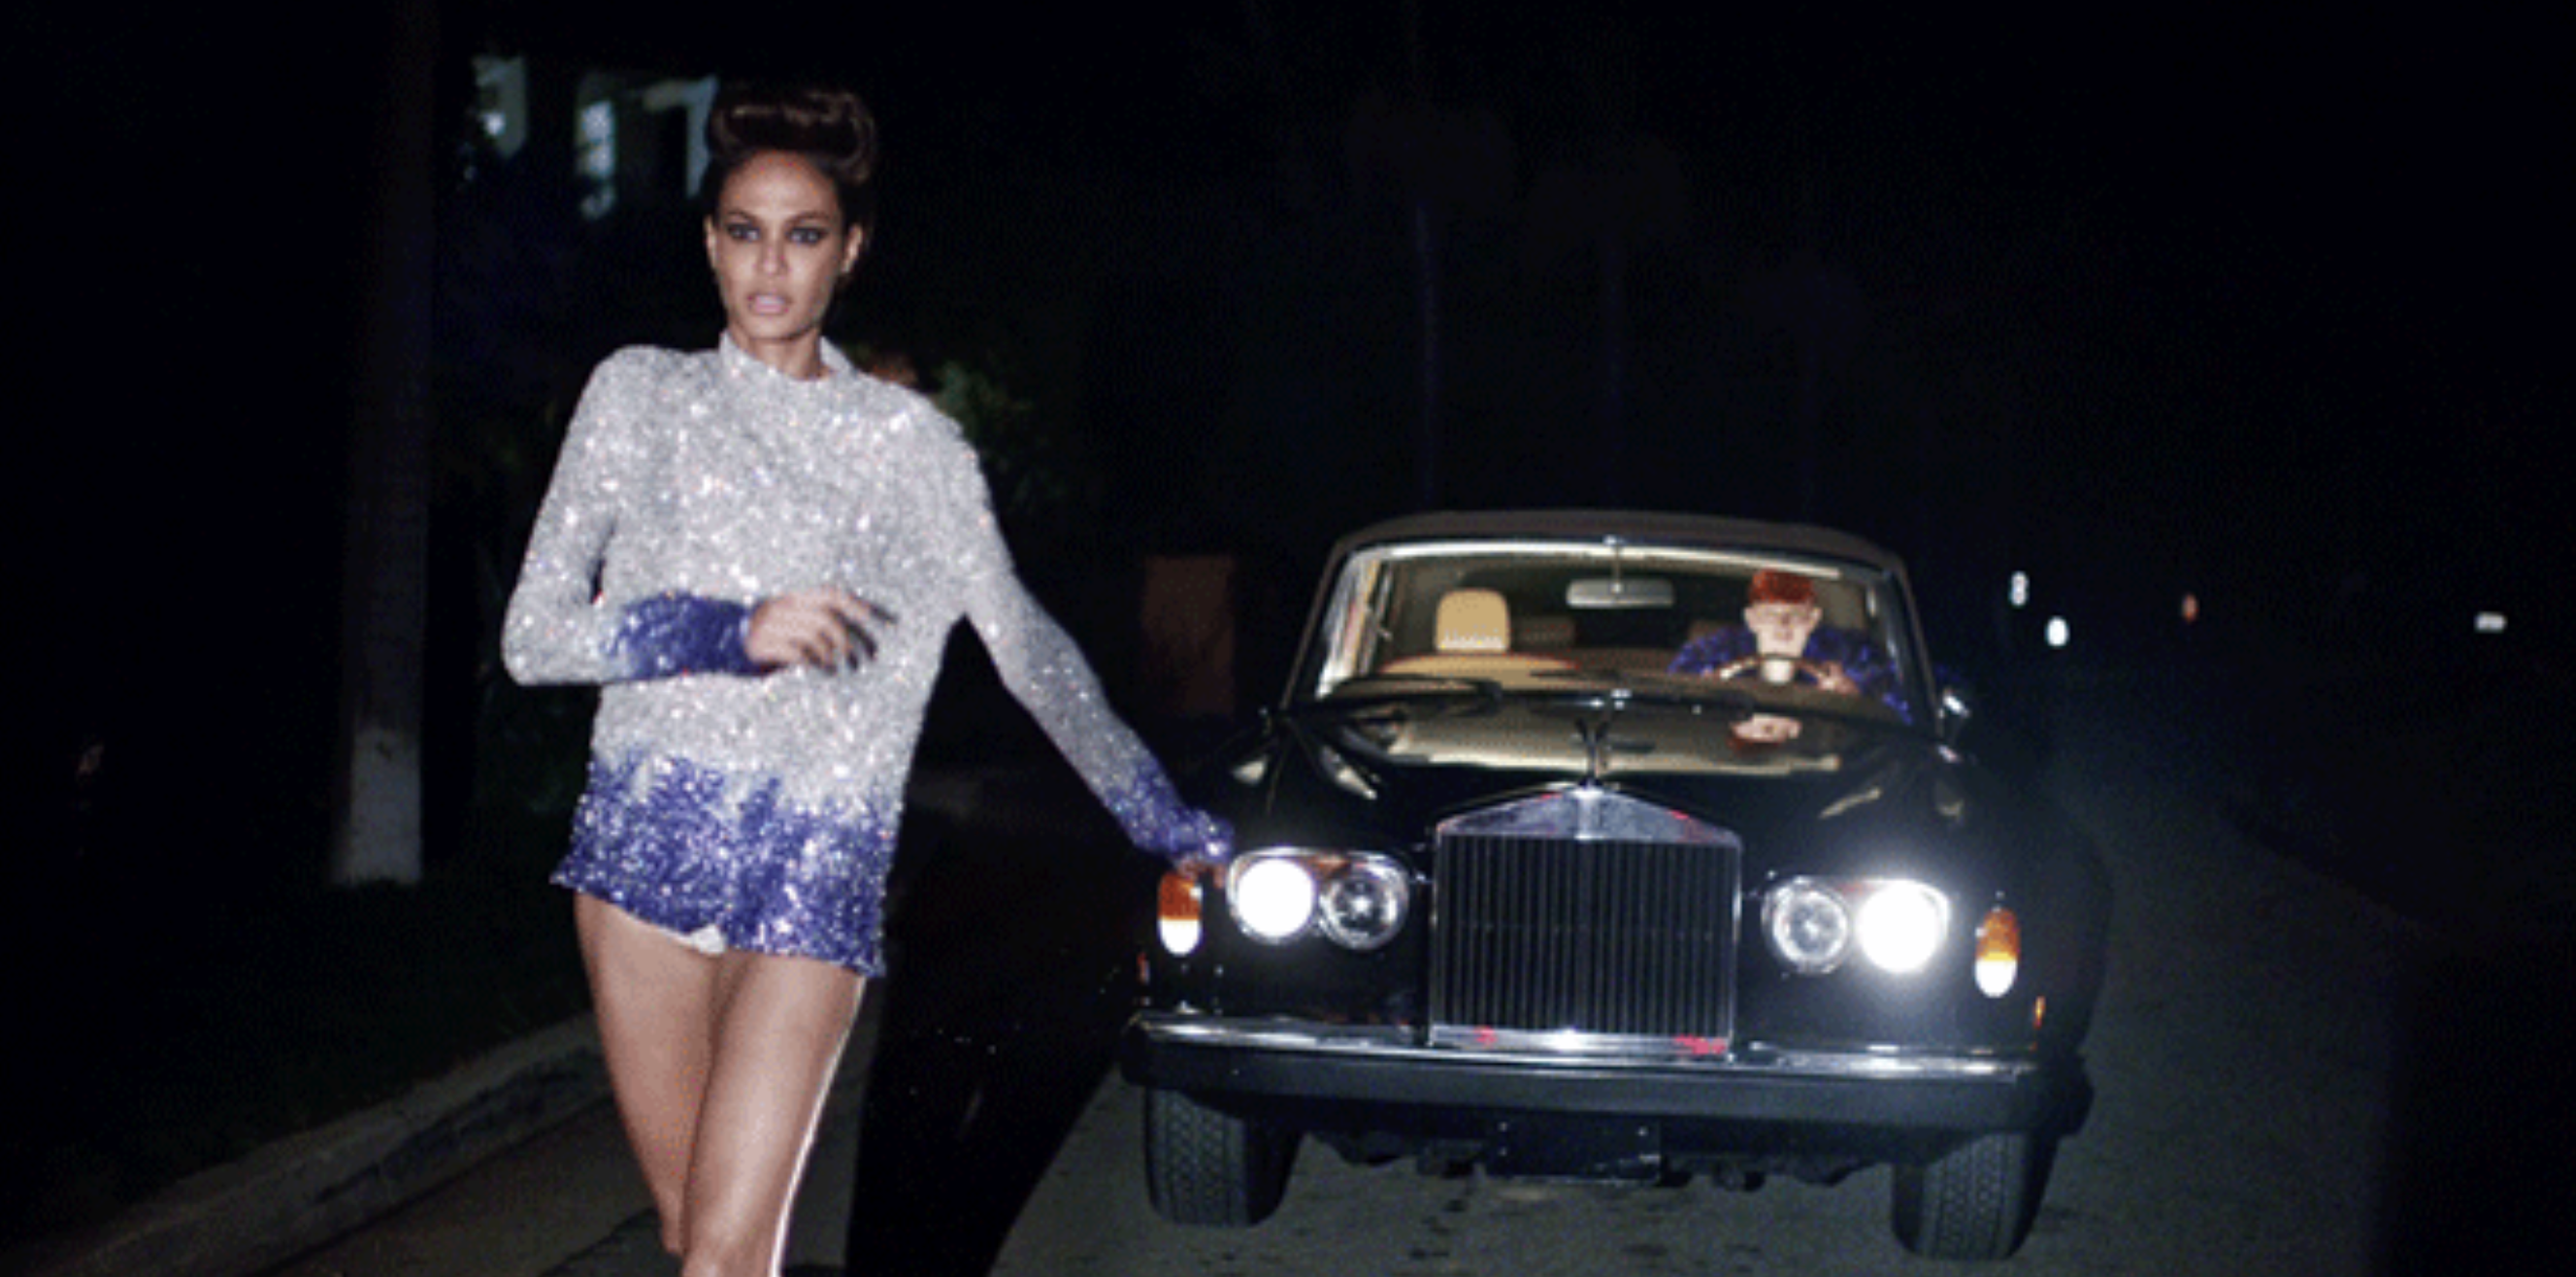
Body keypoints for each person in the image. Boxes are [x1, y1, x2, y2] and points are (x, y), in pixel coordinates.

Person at [501, 82, 1229, 1277]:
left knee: (725, 1253)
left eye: (802, 234)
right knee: (695, 1237)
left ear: (849, 251)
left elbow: (1025, 644)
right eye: (744, 231)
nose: (768, 264)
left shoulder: (909, 449)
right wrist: (724, 629)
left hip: (812, 869)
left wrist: (1157, 812)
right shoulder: (638, 394)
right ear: (709, 242)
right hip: (639, 861)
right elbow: (534, 637)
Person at [1669, 569, 1904, 738]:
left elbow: (1895, 697)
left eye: (1796, 614)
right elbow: (1676, 689)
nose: (1782, 625)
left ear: (1813, 619)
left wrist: (1855, 692)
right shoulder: (1715, 650)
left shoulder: (1847, 651)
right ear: (1751, 619)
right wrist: (1705, 689)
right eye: (1770, 614)